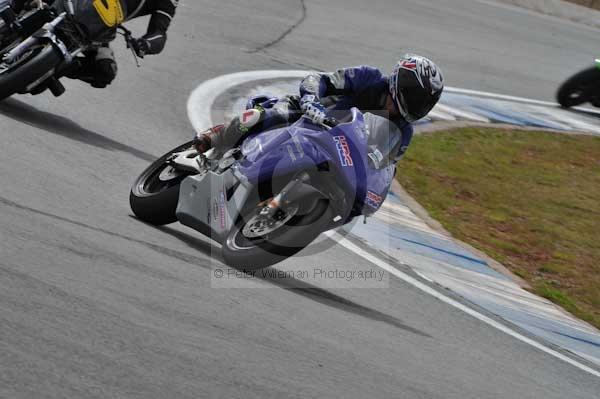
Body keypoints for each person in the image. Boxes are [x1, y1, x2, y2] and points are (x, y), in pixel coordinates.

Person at [194, 54, 444, 168]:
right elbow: (320, 80)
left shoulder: (403, 132)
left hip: (336, 154)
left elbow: (384, 168)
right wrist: (311, 102)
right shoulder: (369, 77)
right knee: (263, 115)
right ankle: (216, 136)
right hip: (308, 115)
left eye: (424, 103)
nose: (417, 107)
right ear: (401, 85)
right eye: (416, 98)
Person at [6, 0, 178, 88]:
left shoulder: (168, 1)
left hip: (95, 31)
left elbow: (159, 33)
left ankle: (48, 71)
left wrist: (145, 44)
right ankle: (11, 10)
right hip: (73, 3)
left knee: (105, 70)